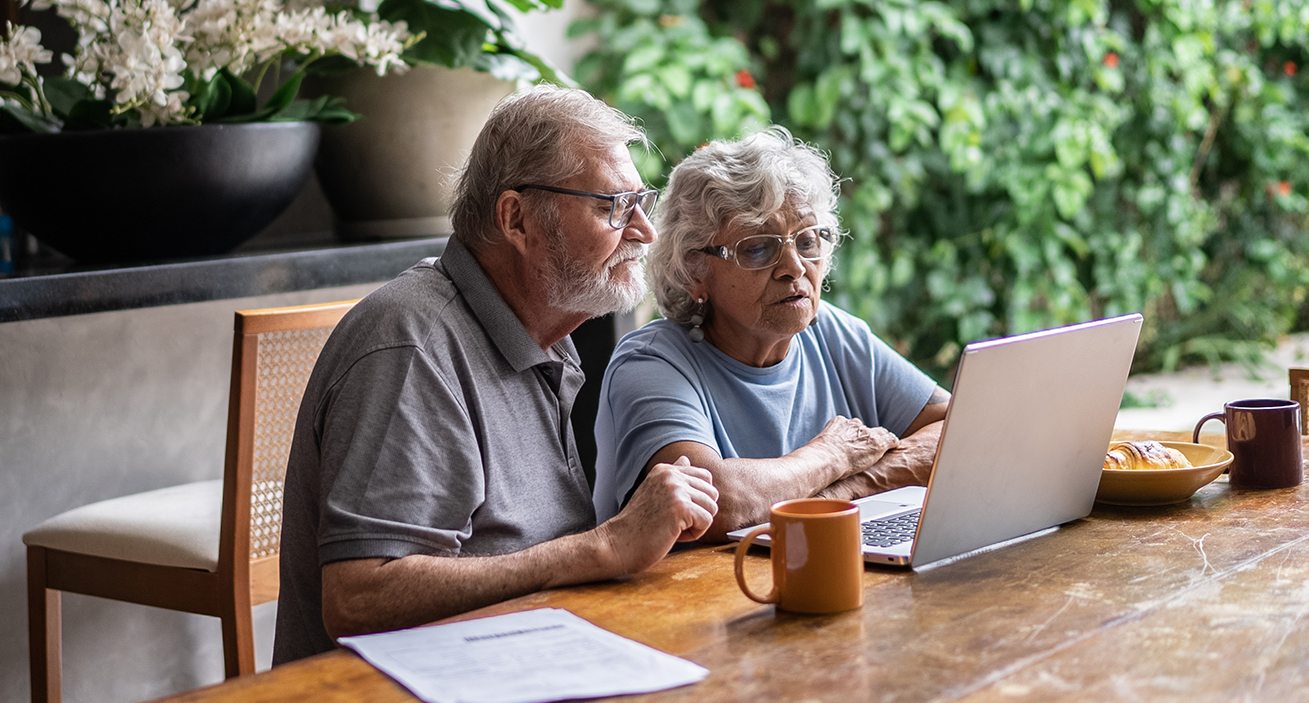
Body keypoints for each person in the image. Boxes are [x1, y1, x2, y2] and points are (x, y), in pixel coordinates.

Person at [273, 86, 719, 664]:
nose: (644, 230)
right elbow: (360, 599)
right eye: (612, 205)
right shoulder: (413, 348)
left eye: (641, 200)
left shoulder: (544, 332)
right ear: (517, 218)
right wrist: (602, 546)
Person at [593, 127, 949, 542]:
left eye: (808, 240)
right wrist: (833, 455)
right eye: (758, 248)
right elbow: (715, 504)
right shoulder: (651, 362)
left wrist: (854, 487)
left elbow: (960, 429)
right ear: (694, 271)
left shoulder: (831, 332)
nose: (794, 267)